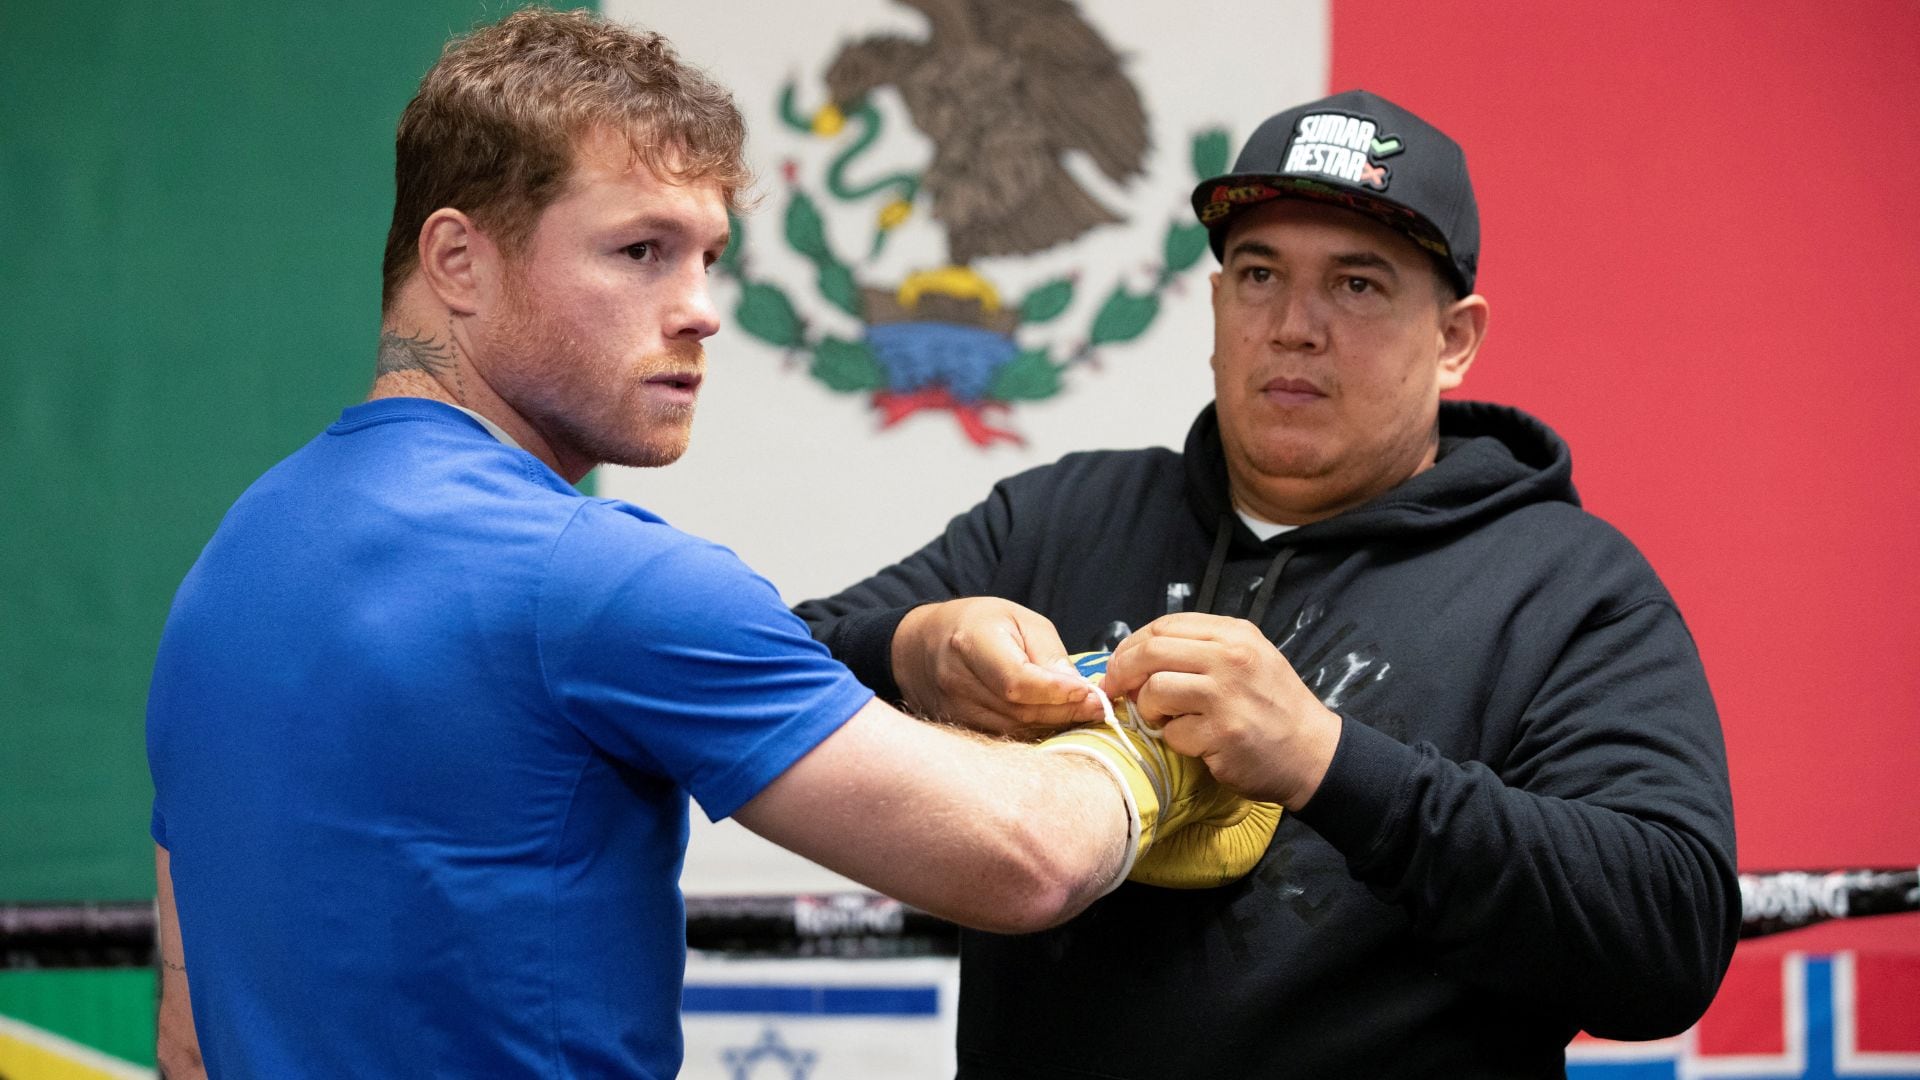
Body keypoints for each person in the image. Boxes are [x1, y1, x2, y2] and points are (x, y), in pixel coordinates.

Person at [143, 10, 1272, 1079]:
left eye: (709, 257)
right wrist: (1143, 745)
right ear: (456, 260)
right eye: (639, 250)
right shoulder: (596, 580)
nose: (700, 310)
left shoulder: (234, 561)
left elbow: (189, 1044)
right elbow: (1021, 857)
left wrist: (920, 648)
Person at [797, 88, 1740, 1078]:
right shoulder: (1060, 517)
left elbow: (1668, 939)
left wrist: (1328, 764)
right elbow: (758, 673)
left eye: (1358, 285)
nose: (1294, 325)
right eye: (1258, 274)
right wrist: (911, 648)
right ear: (1214, 307)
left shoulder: (1565, 586)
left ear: (1454, 340)